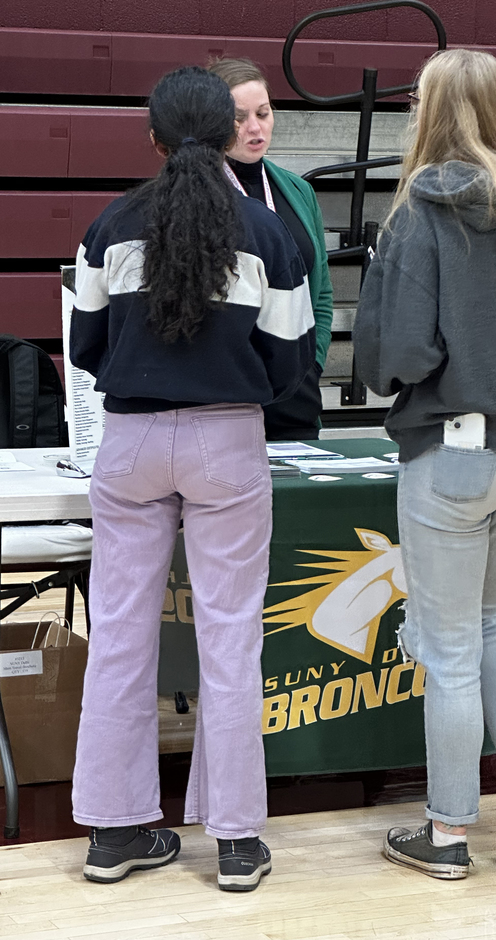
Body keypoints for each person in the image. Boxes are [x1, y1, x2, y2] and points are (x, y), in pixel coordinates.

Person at [69, 67, 314, 890]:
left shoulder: (109, 226)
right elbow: (289, 361)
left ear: (154, 138)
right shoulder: (270, 236)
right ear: (223, 139)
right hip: (228, 442)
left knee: (121, 638)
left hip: (131, 441)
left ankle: (114, 831)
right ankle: (238, 843)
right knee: (231, 638)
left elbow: (85, 350)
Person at [353, 49, 496, 879]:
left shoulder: (419, 212)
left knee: (449, 650)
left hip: (451, 454)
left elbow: (400, 354)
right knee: (487, 627)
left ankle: (448, 835)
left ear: (426, 111)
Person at [209, 57, 333, 440]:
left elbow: (321, 293)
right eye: (238, 117)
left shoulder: (298, 191)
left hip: (294, 397)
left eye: (263, 113)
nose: (254, 127)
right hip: (222, 398)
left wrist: (309, 364)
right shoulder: (196, 195)